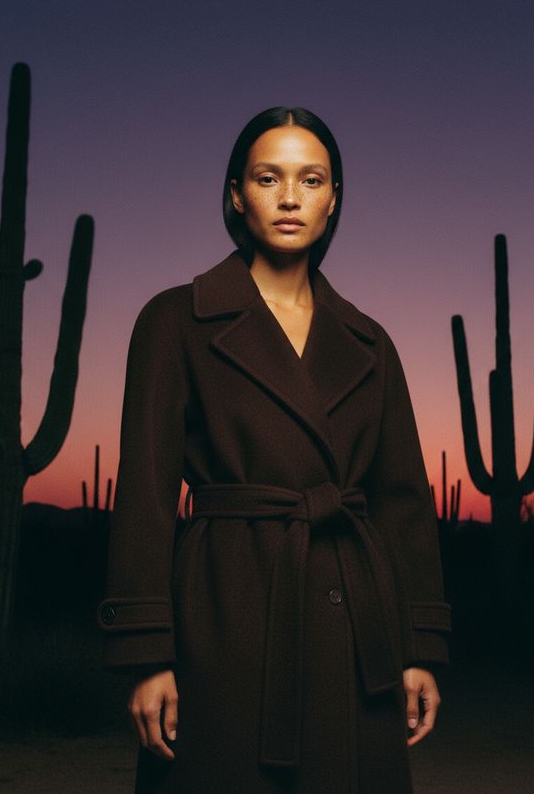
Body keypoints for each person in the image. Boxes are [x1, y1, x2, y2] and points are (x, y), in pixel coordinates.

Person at [96, 106, 451, 794]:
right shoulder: (176, 319)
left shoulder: (371, 343)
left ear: (333, 200)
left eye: (311, 179)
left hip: (358, 618)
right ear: (236, 194)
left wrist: (418, 649)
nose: (290, 197)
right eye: (269, 177)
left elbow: (404, 502)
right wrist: (145, 654)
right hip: (224, 610)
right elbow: (143, 492)